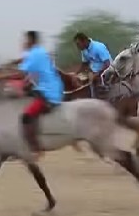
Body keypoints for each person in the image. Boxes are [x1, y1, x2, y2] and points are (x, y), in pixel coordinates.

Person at [16, 30, 63, 159]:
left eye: (26, 40)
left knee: (26, 116)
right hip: (46, 88)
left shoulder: (36, 54)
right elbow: (30, 74)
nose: (25, 42)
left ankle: (35, 148)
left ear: (32, 40)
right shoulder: (38, 53)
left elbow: (21, 73)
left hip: (48, 93)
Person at [73, 32, 112, 97]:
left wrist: (98, 74)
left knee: (95, 83)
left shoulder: (98, 47)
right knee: (78, 81)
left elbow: (108, 64)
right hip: (93, 71)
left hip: (105, 70)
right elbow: (85, 64)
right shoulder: (83, 50)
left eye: (78, 44)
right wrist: (76, 74)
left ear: (84, 41)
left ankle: (98, 97)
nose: (77, 47)